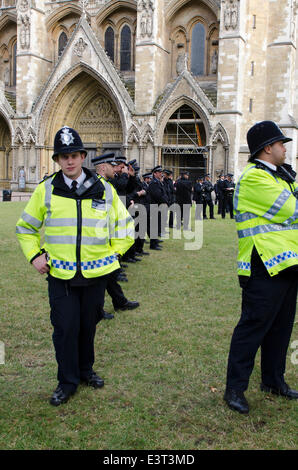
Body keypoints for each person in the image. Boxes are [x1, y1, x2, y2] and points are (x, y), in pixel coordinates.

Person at [16, 126, 134, 406]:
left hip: (96, 274)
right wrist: (34, 256)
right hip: (61, 275)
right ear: (57, 160)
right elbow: (25, 228)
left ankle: (85, 371)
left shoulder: (103, 189)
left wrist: (114, 255)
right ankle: (66, 381)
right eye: (63, 156)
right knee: (65, 328)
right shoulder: (46, 190)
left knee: (88, 327)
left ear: (83, 156)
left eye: (74, 155)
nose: (69, 161)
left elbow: (125, 227)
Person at [224, 120, 298, 414]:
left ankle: (273, 380)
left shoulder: (280, 177)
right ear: (267, 148)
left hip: (287, 263)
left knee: (281, 328)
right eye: (281, 144)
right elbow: (293, 210)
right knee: (253, 328)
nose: (284, 149)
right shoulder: (255, 177)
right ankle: (234, 389)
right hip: (262, 264)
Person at [92, 152, 140, 316]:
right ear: (104, 167)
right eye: (113, 166)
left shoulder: (104, 184)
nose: (117, 169)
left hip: (107, 238)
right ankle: (99, 310)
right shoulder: (97, 186)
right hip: (100, 240)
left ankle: (119, 302)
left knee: (109, 275)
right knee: (100, 277)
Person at [147, 165, 168, 250]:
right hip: (154, 205)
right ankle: (153, 244)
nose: (160, 174)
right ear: (154, 173)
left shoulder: (158, 182)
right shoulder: (154, 183)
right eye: (159, 172)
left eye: (161, 172)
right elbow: (157, 195)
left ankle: (155, 241)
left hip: (158, 206)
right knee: (154, 226)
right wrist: (164, 201)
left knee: (157, 224)